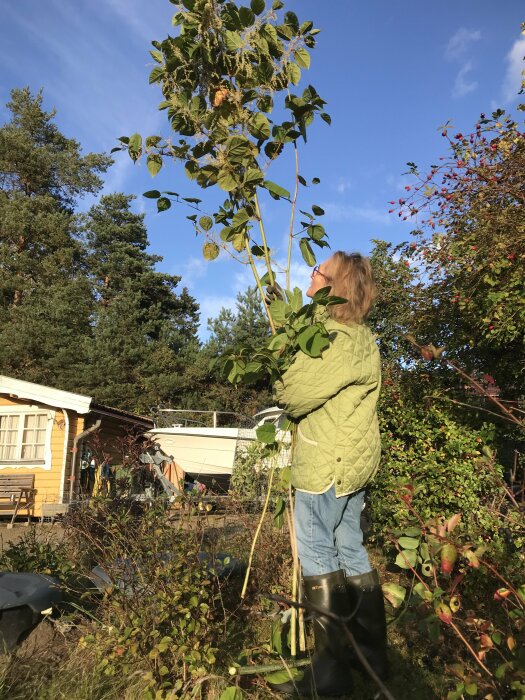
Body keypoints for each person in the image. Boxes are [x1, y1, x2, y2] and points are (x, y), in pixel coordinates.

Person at [269, 252, 387, 697]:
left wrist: (282, 356)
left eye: (319, 270)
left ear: (333, 286)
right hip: (353, 465)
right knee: (350, 551)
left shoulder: (334, 338)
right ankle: (371, 658)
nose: (310, 272)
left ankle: (330, 675)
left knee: (318, 553)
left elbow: (293, 394)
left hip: (327, 464)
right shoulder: (362, 337)